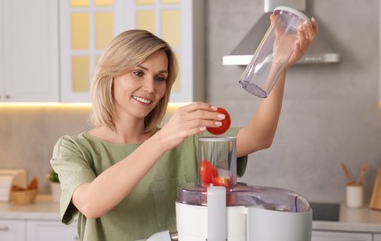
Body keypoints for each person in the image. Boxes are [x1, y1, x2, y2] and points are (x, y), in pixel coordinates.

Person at [51, 14, 319, 240]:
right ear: (110, 74)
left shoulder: (185, 141)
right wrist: (163, 139)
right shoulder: (75, 148)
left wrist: (279, 63)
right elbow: (91, 203)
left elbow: (260, 137)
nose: (150, 88)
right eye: (138, 72)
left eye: (160, 78)